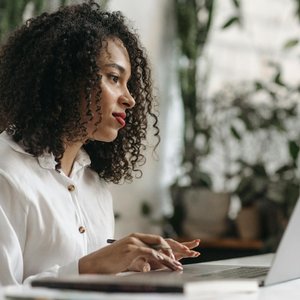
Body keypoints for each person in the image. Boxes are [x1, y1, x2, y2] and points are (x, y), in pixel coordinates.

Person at [0, 1, 200, 286]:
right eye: (114, 78)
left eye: (128, 83)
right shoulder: (6, 175)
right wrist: (92, 266)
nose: (129, 98)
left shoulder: (93, 184)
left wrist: (129, 265)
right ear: (68, 77)